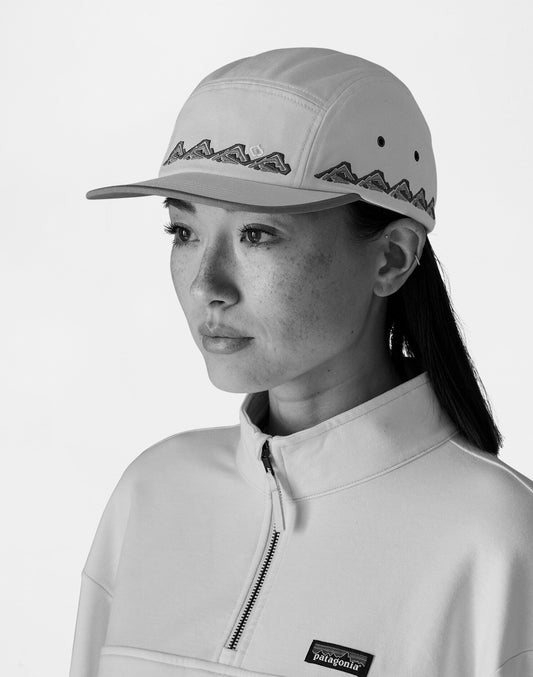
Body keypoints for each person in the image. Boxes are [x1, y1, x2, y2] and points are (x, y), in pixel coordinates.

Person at [69, 47, 533, 677]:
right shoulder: (151, 497)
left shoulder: (500, 542)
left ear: (392, 258)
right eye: (184, 232)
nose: (207, 283)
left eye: (258, 235)